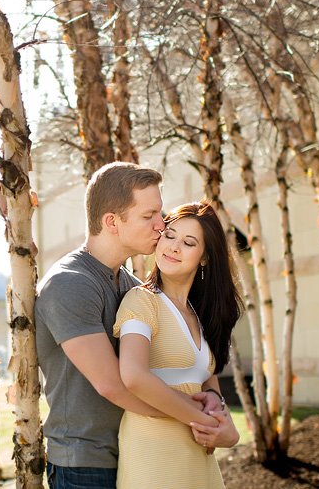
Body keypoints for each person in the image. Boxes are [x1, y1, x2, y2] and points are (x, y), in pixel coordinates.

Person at [35, 163, 224, 489]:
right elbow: (114, 385)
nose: (161, 224)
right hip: (84, 464)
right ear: (112, 222)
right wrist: (199, 420)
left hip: (135, 455)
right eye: (148, 215)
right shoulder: (70, 284)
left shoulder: (133, 285)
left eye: (160, 213)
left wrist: (211, 399)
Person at [114, 201, 244, 489]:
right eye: (169, 235)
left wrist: (217, 406)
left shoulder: (200, 315)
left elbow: (209, 389)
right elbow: (134, 376)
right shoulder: (142, 301)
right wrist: (217, 429)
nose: (172, 247)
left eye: (188, 242)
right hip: (154, 462)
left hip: (198, 465)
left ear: (205, 257)